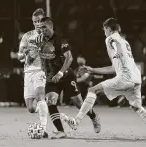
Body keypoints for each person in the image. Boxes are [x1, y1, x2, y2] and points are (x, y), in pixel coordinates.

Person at [61, 18, 146, 140]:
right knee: (137, 107)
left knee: (93, 90)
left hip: (125, 78)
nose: (104, 32)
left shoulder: (111, 38)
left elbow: (115, 43)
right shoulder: (125, 42)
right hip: (136, 78)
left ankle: (76, 122)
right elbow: (114, 68)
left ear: (108, 29)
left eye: (104, 30)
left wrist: (118, 51)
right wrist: (92, 69)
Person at [35, 17, 101, 139]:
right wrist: (43, 71)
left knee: (79, 104)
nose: (41, 29)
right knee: (50, 101)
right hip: (51, 78)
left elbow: (69, 58)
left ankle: (94, 117)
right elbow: (43, 58)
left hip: (65, 75)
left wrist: (60, 72)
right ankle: (61, 131)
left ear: (51, 27)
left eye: (44, 26)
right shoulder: (39, 40)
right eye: (40, 27)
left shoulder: (60, 40)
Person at [17, 8, 48, 138]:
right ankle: (44, 106)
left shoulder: (48, 35)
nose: (37, 23)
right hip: (28, 72)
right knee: (30, 108)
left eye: (40, 20)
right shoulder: (27, 36)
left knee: (40, 96)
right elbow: (19, 56)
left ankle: (43, 129)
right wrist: (25, 54)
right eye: (35, 21)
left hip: (41, 71)